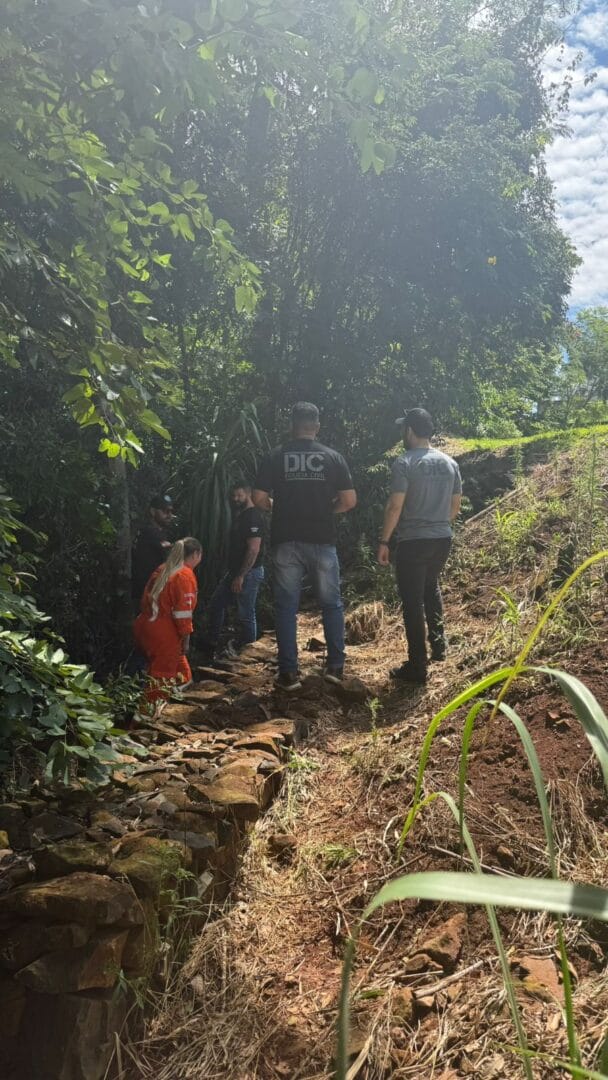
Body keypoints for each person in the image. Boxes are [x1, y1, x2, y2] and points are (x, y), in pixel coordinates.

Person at [253, 402, 356, 691]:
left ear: (292, 426)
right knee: (331, 604)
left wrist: (277, 507)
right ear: (317, 426)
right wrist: (326, 510)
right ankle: (335, 667)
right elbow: (349, 501)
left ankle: (289, 674)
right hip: (322, 539)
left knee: (286, 607)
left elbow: (258, 498)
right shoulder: (332, 457)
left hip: (286, 539)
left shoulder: (276, 456)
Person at [377, 407, 462, 685]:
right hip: (442, 538)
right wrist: (437, 523)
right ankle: (439, 647)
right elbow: (455, 507)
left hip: (414, 540)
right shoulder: (450, 463)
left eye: (404, 428)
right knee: (430, 587)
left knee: (412, 601)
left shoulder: (404, 462)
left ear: (410, 430)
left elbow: (395, 506)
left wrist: (384, 540)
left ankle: (417, 666)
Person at [134, 537, 202, 704]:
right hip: (163, 632)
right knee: (161, 676)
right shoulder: (184, 576)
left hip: (146, 624)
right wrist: (186, 639)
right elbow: (183, 614)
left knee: (182, 672)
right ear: (195, 554)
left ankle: (175, 693)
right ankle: (147, 714)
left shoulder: (164, 568)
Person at [205, 481, 265, 659]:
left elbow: (253, 549)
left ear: (248, 493)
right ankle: (211, 643)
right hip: (235, 572)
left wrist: (241, 576)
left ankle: (249, 655)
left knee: (246, 613)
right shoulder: (241, 515)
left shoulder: (253, 517)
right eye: (233, 495)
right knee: (217, 603)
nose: (235, 499)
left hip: (248, 573)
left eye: (239, 495)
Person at [131, 494, 174, 608]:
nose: (169, 515)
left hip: (150, 591)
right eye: (165, 511)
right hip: (146, 594)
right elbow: (171, 554)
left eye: (171, 511)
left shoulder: (158, 532)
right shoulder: (149, 532)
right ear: (153, 511)